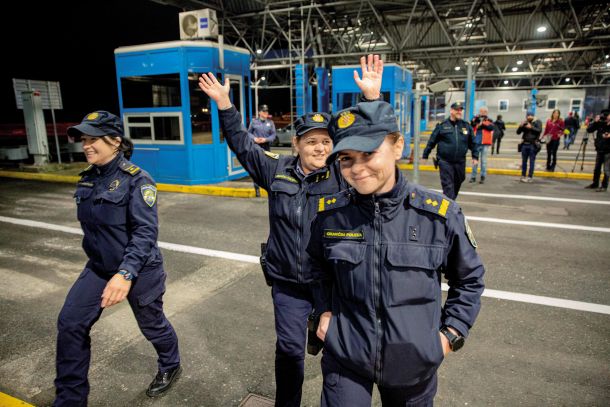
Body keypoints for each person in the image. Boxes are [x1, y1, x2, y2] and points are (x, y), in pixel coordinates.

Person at [198, 54, 384, 407]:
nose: (319, 147)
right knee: (287, 351)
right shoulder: (276, 171)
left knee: (338, 351)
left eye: (326, 142)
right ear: (296, 144)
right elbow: (242, 143)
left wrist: (371, 101)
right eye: (311, 141)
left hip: (330, 283)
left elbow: (373, 149)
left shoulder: (343, 177)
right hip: (287, 283)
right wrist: (224, 104)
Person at [308, 101, 485, 407]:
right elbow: (317, 268)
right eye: (346, 159)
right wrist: (324, 311)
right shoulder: (330, 215)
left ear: (398, 145)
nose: (357, 168)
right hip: (346, 355)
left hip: (413, 364)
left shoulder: (439, 215)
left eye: (369, 154)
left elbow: (469, 280)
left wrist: (449, 336)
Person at [55, 111, 181, 406]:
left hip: (140, 270)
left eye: (93, 139)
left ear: (115, 142)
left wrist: (125, 274)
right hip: (98, 268)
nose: (86, 145)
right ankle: (69, 400)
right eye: (84, 139)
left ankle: (170, 364)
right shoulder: (86, 180)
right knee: (70, 323)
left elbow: (144, 233)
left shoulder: (137, 181)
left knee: (152, 325)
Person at [422, 102, 479, 199]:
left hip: (460, 162)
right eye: (457, 110)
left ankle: (450, 204)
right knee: (448, 186)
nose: (459, 112)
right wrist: (425, 155)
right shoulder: (442, 125)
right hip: (445, 162)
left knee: (458, 182)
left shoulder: (466, 126)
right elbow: (432, 140)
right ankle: (448, 210)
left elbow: (473, 142)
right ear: (451, 111)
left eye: (460, 110)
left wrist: (475, 156)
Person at [249, 104, 277, 197]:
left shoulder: (271, 123)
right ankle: (257, 189)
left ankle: (268, 188)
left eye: (267, 111)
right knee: (256, 168)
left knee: (267, 167)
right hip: (256, 147)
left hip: (266, 147)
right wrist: (255, 139)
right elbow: (248, 133)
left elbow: (273, 135)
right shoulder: (254, 122)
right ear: (260, 112)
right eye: (264, 111)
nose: (266, 113)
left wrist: (266, 139)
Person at [585, 112, 610, 192]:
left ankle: (604, 186)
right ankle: (595, 183)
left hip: (608, 150)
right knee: (597, 168)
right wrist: (595, 122)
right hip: (600, 149)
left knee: (606, 169)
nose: (606, 117)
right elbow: (589, 130)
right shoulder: (600, 123)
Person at [469, 106, 494, 184]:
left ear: (486, 112)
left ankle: (483, 176)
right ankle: (473, 177)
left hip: (485, 143)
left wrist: (482, 124)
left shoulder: (489, 120)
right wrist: (475, 120)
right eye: (481, 111)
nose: (482, 113)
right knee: (475, 161)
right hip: (476, 143)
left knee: (483, 162)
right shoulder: (476, 118)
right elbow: (471, 125)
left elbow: (490, 128)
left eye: (484, 111)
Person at [516, 110, 543, 183]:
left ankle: (530, 176)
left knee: (532, 161)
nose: (529, 117)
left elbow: (539, 130)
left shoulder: (538, 122)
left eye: (530, 115)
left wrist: (531, 127)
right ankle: (523, 175)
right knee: (524, 161)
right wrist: (520, 126)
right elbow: (518, 132)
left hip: (533, 145)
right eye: (527, 115)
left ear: (533, 116)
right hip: (524, 144)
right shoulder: (525, 122)